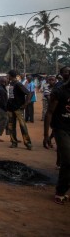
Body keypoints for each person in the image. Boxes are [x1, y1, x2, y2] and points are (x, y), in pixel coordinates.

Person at [43, 66, 70, 204]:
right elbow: (49, 113)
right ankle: (60, 190)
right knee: (67, 160)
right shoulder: (59, 91)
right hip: (61, 128)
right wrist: (46, 135)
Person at [6, 69, 32, 150]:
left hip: (18, 108)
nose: (7, 76)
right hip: (10, 108)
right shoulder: (11, 83)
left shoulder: (18, 84)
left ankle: (28, 143)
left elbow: (29, 93)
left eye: (8, 75)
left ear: (10, 76)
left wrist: (25, 104)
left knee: (22, 126)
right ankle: (14, 142)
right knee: (11, 126)